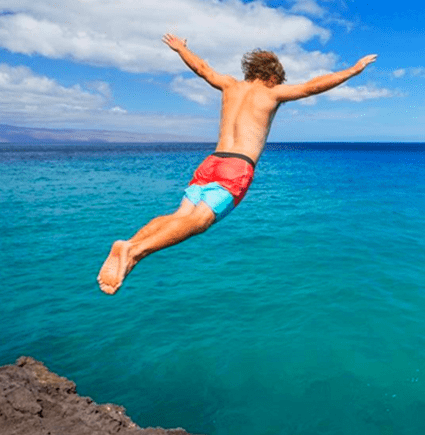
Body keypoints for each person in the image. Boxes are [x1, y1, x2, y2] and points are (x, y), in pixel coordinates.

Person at [97, 34, 377, 294]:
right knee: (199, 222)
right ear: (273, 76)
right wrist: (353, 70)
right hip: (237, 167)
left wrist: (181, 48)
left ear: (250, 70)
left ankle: (129, 245)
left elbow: (202, 69)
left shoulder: (229, 85)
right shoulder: (272, 93)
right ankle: (135, 251)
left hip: (211, 162)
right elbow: (311, 87)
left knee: (180, 216)